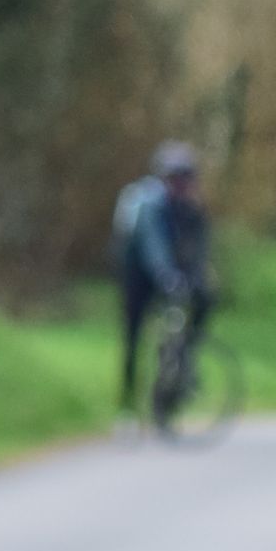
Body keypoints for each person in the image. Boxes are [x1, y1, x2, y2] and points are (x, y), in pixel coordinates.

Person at [112, 141, 214, 416]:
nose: (183, 184)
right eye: (177, 178)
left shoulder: (191, 208)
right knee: (133, 336)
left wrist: (199, 277)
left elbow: (197, 247)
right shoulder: (150, 205)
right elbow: (152, 245)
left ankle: (182, 363)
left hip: (170, 271)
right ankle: (127, 405)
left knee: (204, 299)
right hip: (138, 274)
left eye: (187, 178)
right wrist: (165, 274)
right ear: (165, 178)